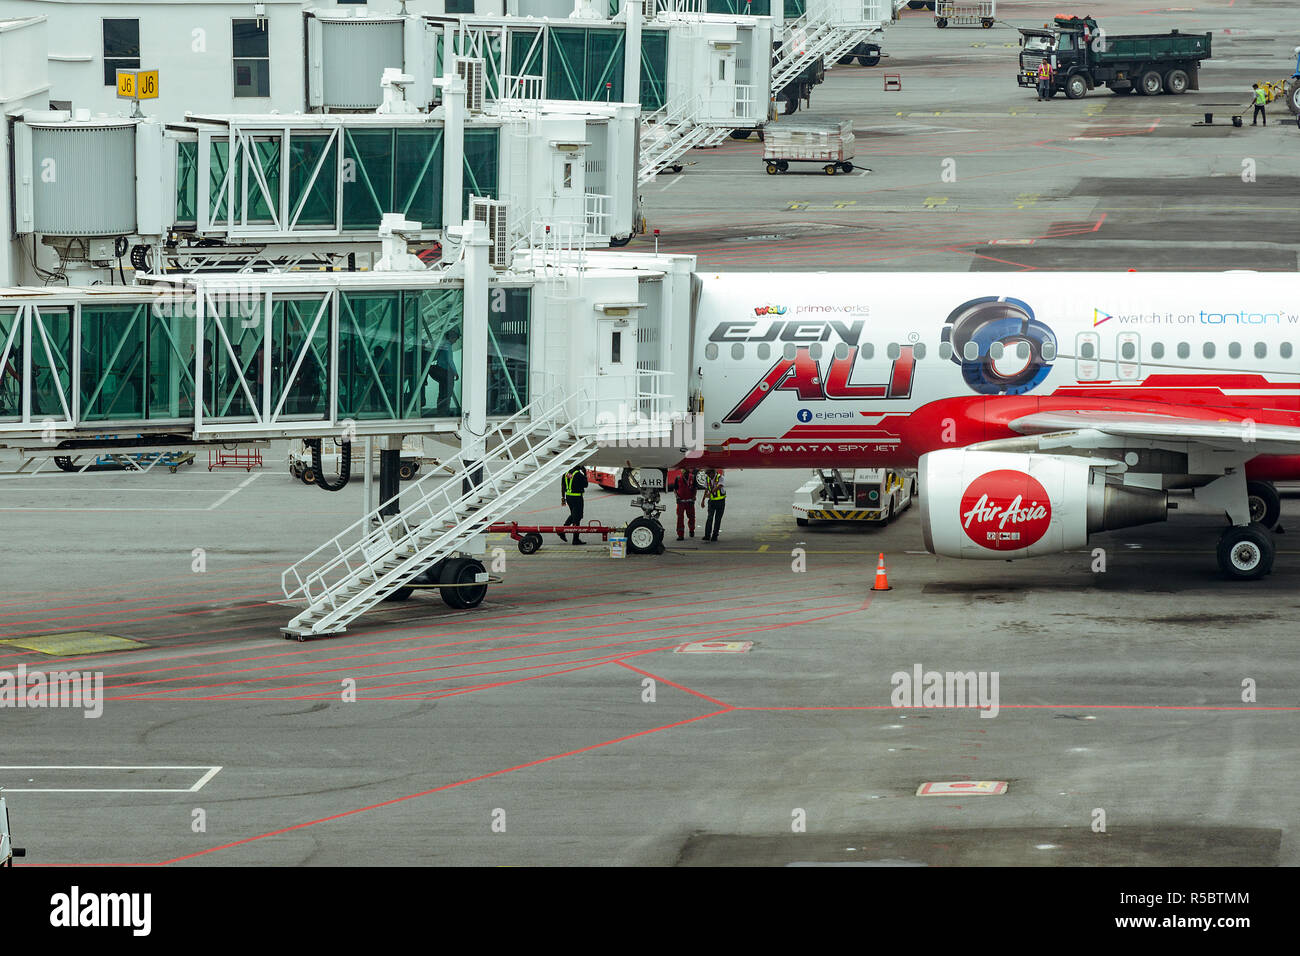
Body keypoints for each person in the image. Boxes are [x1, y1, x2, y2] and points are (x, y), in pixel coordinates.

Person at [559, 464, 588, 545]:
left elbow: (563, 486)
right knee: (577, 517)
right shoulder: (579, 475)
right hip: (577, 498)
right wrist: (585, 473)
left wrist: (563, 498)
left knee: (574, 515)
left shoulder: (566, 474)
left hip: (569, 497)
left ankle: (563, 531)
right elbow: (586, 485)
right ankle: (575, 539)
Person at [701, 468, 726, 542]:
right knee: (709, 518)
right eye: (707, 474)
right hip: (712, 502)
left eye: (709, 473)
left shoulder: (720, 477)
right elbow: (706, 489)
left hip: (720, 502)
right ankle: (707, 535)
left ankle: (715, 535)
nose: (708, 475)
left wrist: (710, 493)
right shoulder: (707, 478)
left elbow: (719, 486)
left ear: (713, 472)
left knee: (718, 519)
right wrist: (703, 500)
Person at [673, 468, 697, 541]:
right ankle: (680, 535)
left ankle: (691, 530)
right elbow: (675, 489)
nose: (685, 474)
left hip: (690, 501)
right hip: (681, 501)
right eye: (683, 472)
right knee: (680, 518)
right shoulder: (678, 478)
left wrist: (694, 496)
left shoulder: (693, 477)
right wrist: (677, 497)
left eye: (686, 472)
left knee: (691, 517)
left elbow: (695, 488)